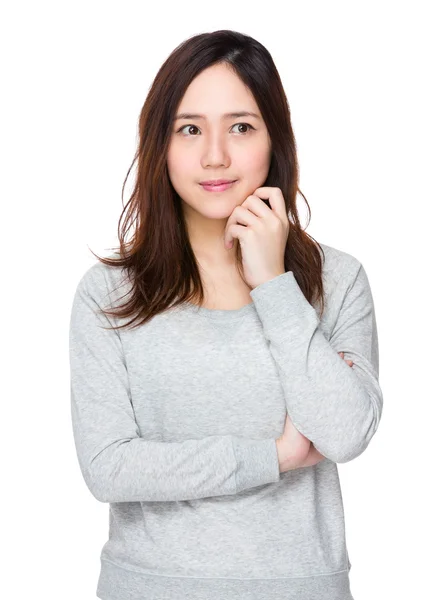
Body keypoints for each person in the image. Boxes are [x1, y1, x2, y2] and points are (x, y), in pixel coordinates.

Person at [69, 29, 383, 600]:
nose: (215, 155)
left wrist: (274, 285)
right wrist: (275, 457)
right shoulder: (110, 294)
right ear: (160, 145)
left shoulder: (337, 282)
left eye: (241, 126)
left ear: (274, 140)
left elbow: (347, 432)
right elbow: (109, 468)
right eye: (189, 129)